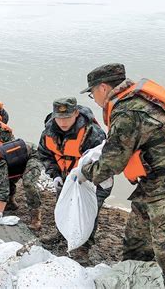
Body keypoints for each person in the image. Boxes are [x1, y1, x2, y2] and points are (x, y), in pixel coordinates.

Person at [74, 63, 165, 287]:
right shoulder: (135, 100)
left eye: (92, 92)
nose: (93, 99)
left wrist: (83, 172)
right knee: (136, 242)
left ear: (103, 88)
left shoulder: (127, 111)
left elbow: (111, 163)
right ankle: (134, 280)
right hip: (152, 183)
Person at [38, 97, 111, 262]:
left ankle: (83, 247)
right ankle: (62, 235)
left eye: (67, 118)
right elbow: (45, 154)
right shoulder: (49, 131)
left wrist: (86, 176)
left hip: (93, 180)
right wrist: (55, 174)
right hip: (65, 178)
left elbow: (104, 162)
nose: (63, 122)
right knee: (63, 205)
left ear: (76, 113)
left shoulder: (92, 134)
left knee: (87, 212)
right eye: (59, 118)